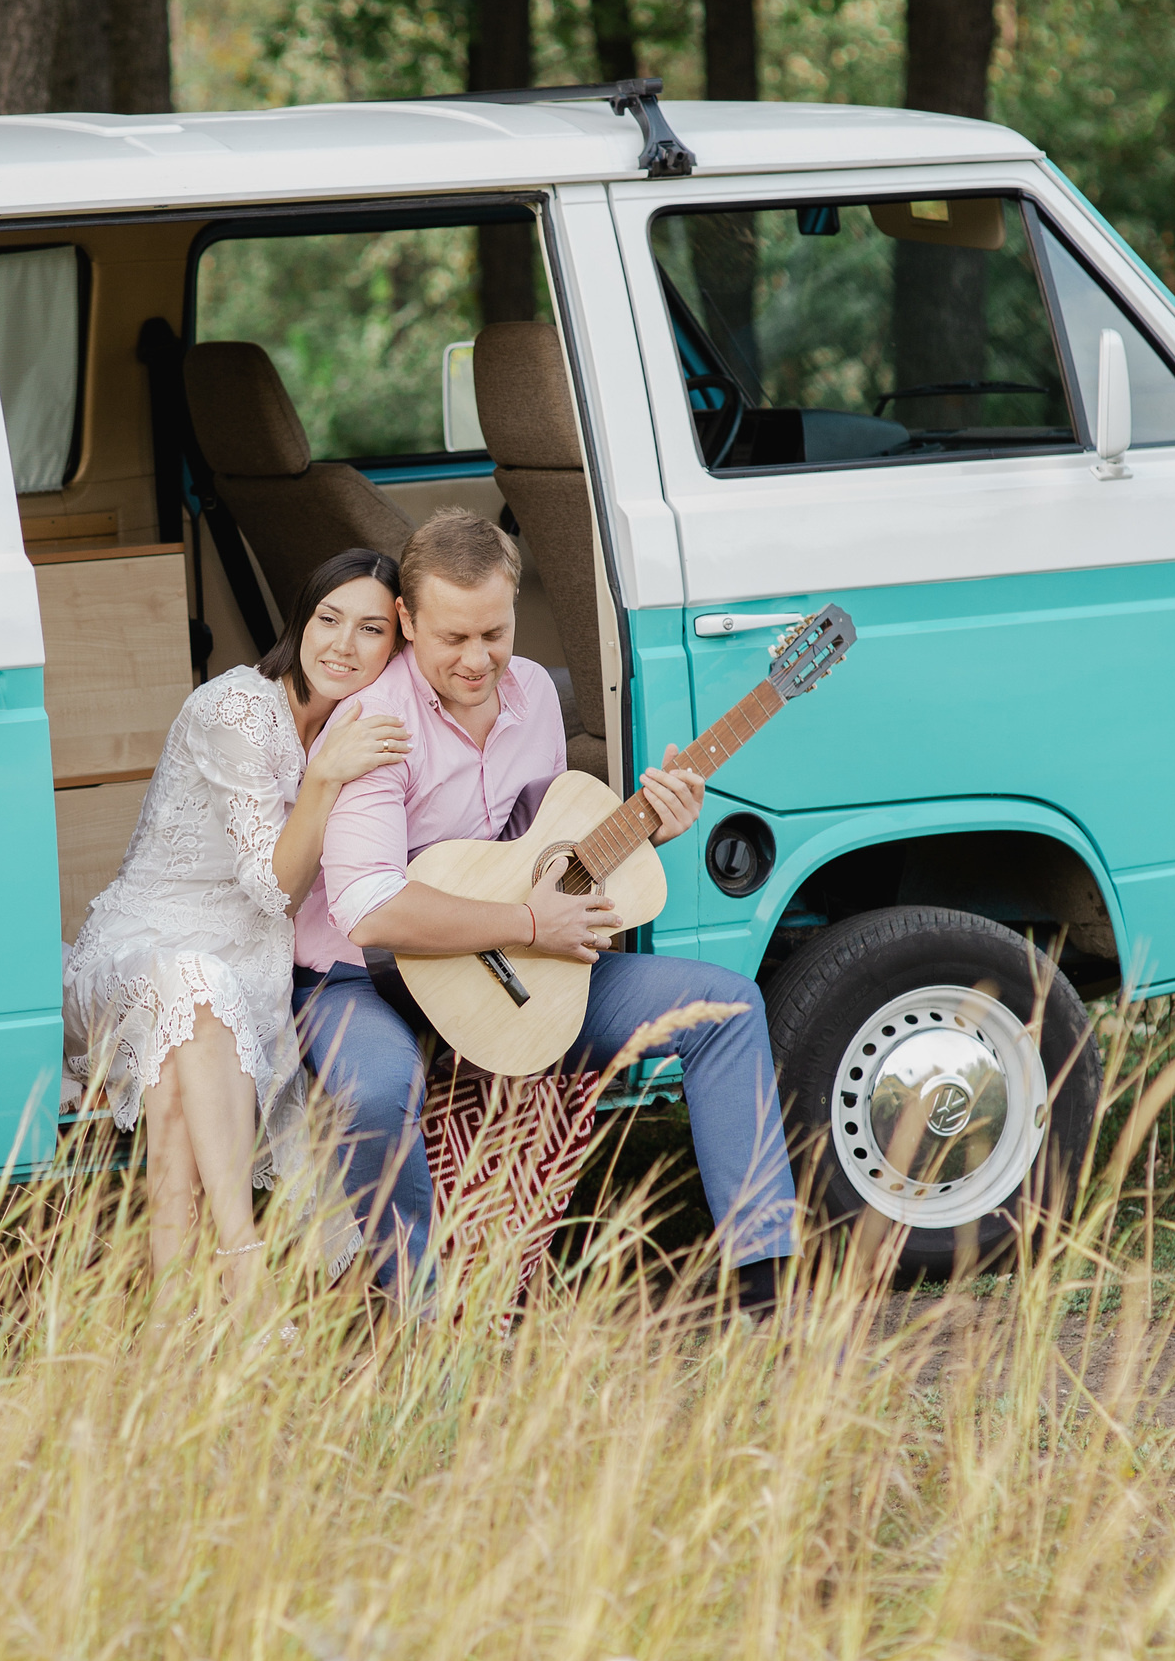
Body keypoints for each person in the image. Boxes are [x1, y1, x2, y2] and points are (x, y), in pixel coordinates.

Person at [291, 508, 799, 1310]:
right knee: (375, 1091)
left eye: (493, 633)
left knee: (727, 1007)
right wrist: (529, 926)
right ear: (406, 620)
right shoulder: (374, 726)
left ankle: (766, 1282)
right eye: (452, 638)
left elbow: (538, 854)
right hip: (360, 979)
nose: (476, 659)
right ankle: (422, 1317)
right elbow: (368, 909)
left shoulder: (528, 692)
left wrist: (647, 832)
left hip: (495, 972)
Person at [64, 548, 411, 1313]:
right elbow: (274, 886)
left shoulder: (362, 723)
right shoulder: (235, 709)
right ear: (300, 618)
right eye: (327, 620)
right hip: (136, 950)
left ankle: (177, 1307)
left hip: (246, 964)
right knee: (192, 985)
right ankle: (242, 1263)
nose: (341, 646)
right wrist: (323, 779)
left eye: (370, 629)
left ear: (397, 642)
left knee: (192, 1045)